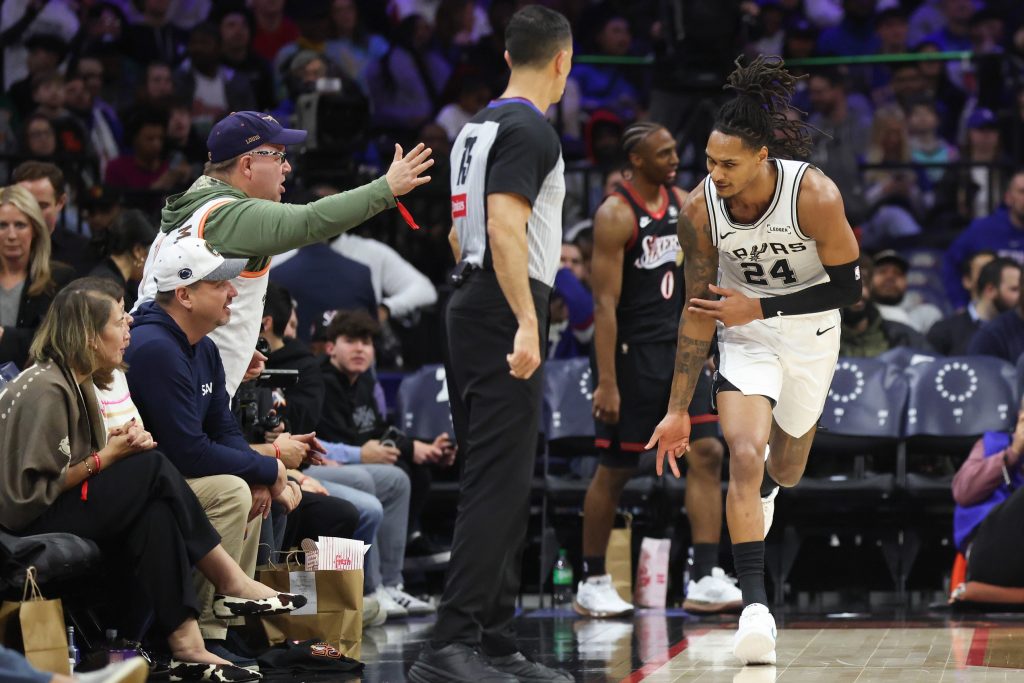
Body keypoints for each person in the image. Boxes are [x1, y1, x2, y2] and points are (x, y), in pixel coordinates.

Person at [646, 56, 862, 666]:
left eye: (729, 165)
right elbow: (697, 311)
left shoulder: (813, 194)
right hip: (744, 339)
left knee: (786, 468)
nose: (715, 175)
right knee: (742, 452)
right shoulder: (698, 210)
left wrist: (760, 306)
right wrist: (677, 409)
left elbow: (850, 288)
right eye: (710, 162)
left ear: (763, 157)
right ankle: (755, 606)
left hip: (810, 332)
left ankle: (768, 484)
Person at [0, 281, 306, 682]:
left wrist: (123, 445)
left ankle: (186, 646)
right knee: (153, 468)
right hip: (27, 520)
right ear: (89, 336)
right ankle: (228, 579)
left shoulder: (80, 379)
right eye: (118, 318)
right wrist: (107, 457)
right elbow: (27, 496)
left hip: (59, 503)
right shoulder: (46, 386)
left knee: (155, 508)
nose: (130, 323)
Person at [409, 7, 574, 683]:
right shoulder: (532, 128)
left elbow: (458, 234)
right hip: (506, 303)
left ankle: (495, 638)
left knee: (502, 476)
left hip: (470, 298)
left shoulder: (474, 128)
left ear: (509, 57)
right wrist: (528, 321)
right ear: (561, 62)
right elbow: (505, 226)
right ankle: (450, 640)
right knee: (495, 481)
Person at [132, 110, 433, 397]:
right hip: (174, 375)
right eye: (279, 155)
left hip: (160, 361)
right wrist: (385, 188)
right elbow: (311, 221)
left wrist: (234, 348)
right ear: (247, 165)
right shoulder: (230, 214)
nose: (287, 167)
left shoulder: (193, 208)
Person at [124, 236, 360, 567]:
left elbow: (225, 430)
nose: (233, 292)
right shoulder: (155, 350)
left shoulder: (203, 347)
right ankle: (214, 612)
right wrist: (267, 467)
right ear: (184, 295)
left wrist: (263, 475)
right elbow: (188, 451)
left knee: (261, 492)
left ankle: (244, 605)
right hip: (147, 484)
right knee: (239, 491)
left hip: (182, 474)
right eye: (220, 284)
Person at [576, 122, 733, 619]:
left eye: (673, 150)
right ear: (637, 161)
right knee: (617, 469)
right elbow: (603, 305)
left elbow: (699, 279)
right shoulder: (615, 214)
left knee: (707, 451)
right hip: (632, 354)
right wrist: (606, 380)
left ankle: (705, 575)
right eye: (662, 153)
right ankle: (593, 579)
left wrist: (705, 342)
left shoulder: (685, 202)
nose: (673, 158)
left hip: (680, 350)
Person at [952, 397, 1024, 591]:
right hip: (988, 552)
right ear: (1020, 418)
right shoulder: (993, 444)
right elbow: (962, 491)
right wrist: (1013, 453)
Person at [0, 185, 74, 367]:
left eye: (20, 225)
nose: (11, 235)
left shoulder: (60, 278)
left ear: (34, 229)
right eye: (2, 225)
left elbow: (57, 342)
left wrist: (5, 336)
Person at [943, 170, 1024, 309]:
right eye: (1022, 191)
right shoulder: (982, 230)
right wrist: (960, 304)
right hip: (988, 314)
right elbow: (951, 264)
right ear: (1008, 197)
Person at [928, 257, 1021, 355]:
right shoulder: (944, 331)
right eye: (1014, 289)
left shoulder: (1019, 331)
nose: (1021, 296)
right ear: (990, 290)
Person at [12, 161, 92, 274]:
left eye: (41, 206)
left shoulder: (82, 250)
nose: (32, 213)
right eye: (24, 204)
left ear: (60, 202)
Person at [88, 209, 157, 311]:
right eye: (152, 255)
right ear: (138, 251)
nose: (154, 263)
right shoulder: (109, 287)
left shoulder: (109, 277)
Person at [868, 250, 943, 334]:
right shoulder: (861, 314)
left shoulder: (924, 315)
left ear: (906, 282)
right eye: (882, 272)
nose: (890, 277)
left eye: (897, 273)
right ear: (869, 279)